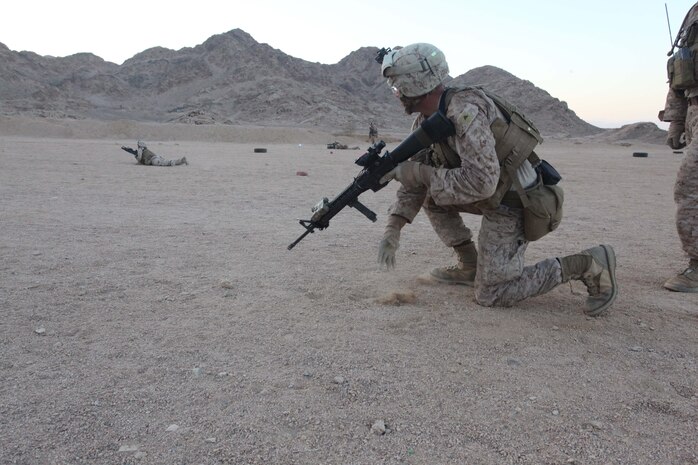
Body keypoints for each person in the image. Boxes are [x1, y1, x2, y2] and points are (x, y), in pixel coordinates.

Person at [376, 43, 618, 316]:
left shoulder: (466, 111)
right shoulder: (424, 124)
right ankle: (470, 264)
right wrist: (393, 229)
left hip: (516, 200)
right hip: (491, 195)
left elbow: (481, 181)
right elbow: (417, 181)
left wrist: (418, 173)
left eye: (398, 88)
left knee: (492, 293)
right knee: (432, 192)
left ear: (415, 84)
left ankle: (589, 264)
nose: (396, 95)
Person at [658, 1, 698, 293]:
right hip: (695, 111)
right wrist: (677, 120)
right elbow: (682, 66)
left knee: (690, 189)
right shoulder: (693, 14)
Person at [121, 141, 188, 166]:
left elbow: (139, 156)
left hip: (153, 160)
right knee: (167, 162)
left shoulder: (140, 149)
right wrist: (126, 149)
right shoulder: (145, 149)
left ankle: (181, 161)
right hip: (156, 157)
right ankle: (180, 161)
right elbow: (133, 152)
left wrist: (138, 161)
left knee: (166, 163)